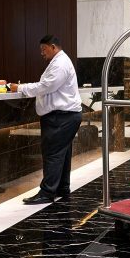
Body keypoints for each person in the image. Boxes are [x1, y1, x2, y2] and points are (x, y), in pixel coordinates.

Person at [8, 35, 82, 204]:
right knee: (62, 154)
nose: (41, 53)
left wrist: (20, 87)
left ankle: (47, 192)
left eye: (44, 49)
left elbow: (46, 86)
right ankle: (61, 187)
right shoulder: (58, 61)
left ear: (53, 47)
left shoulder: (60, 63)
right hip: (64, 116)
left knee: (53, 154)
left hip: (61, 117)